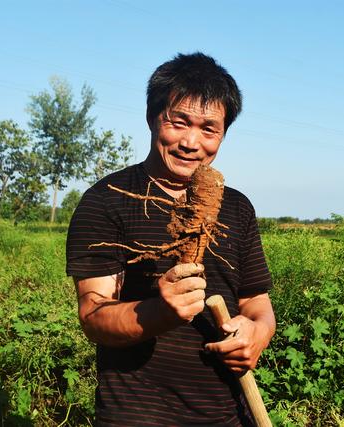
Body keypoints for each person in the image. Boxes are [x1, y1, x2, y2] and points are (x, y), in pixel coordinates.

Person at [66, 52, 275, 426]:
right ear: (152, 118)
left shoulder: (238, 207)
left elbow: (256, 301)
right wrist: (158, 312)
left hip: (226, 413)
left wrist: (256, 332)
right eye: (179, 123)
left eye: (209, 129)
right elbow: (93, 317)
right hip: (136, 415)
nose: (191, 143)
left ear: (223, 133)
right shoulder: (106, 200)